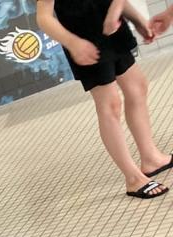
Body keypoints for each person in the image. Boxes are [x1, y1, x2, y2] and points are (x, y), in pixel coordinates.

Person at [37, 0, 170, 199]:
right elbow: (43, 17)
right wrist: (73, 43)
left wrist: (137, 19)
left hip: (113, 30)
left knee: (137, 86)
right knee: (110, 104)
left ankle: (151, 157)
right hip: (84, 40)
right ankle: (133, 178)